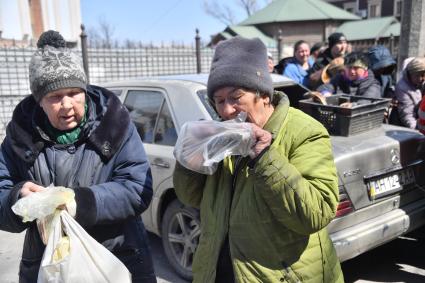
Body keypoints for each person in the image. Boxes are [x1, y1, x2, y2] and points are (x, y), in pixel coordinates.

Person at [173, 37, 343, 283]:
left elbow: (317, 212)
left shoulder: (304, 131)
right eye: (220, 101)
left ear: (264, 95)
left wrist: (265, 157)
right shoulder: (223, 137)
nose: (227, 110)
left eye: (236, 97)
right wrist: (189, 158)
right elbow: (190, 197)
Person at [0, 30, 156, 283]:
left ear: (85, 90)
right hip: (48, 264)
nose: (67, 104)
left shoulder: (115, 125)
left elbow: (137, 187)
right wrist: (18, 199)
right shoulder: (20, 136)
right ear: (39, 100)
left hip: (116, 258)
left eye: (74, 92)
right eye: (55, 96)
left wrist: (80, 203)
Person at [394, 57, 425, 129]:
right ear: (410, 74)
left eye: (423, 75)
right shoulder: (402, 88)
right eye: (417, 76)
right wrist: (416, 130)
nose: (421, 79)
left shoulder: (421, 83)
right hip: (411, 125)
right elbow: (407, 113)